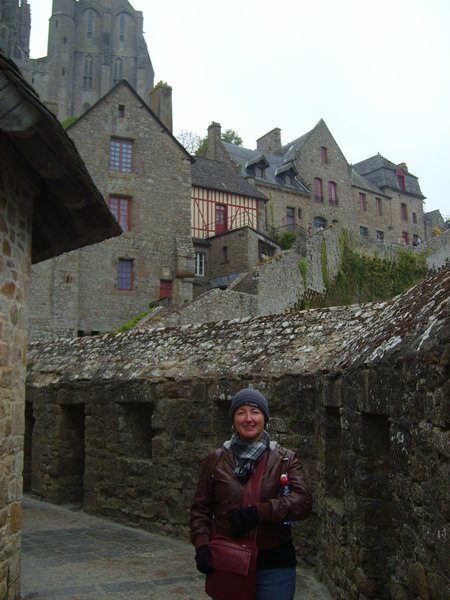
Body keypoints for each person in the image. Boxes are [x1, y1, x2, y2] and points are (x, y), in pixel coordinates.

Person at [190, 388, 313, 600]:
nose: (248, 419)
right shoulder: (216, 460)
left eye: (255, 412)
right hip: (229, 561)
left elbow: (302, 502)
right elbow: (200, 509)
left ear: (265, 417)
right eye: (241, 412)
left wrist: (258, 513)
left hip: (274, 565)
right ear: (233, 419)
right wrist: (202, 545)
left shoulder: (285, 459)